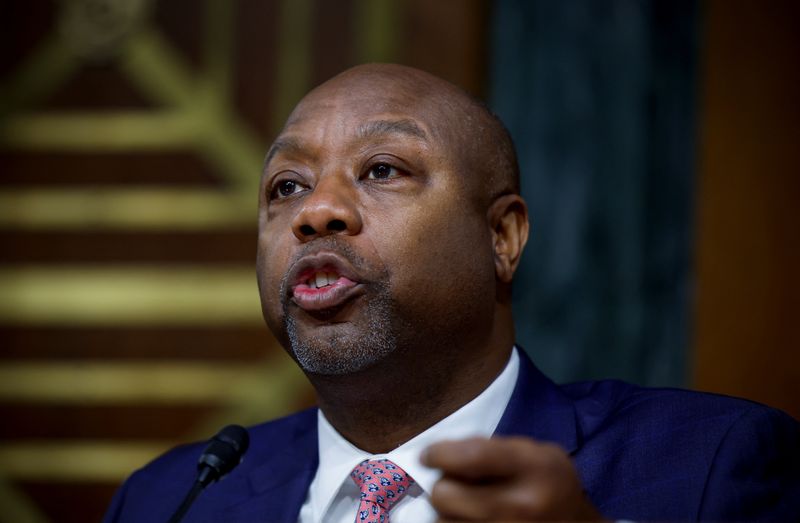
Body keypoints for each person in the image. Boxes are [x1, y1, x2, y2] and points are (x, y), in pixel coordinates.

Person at [103, 64, 799, 523]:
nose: (317, 211)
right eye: (287, 186)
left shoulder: (710, 462)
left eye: (382, 169)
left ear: (502, 237)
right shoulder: (171, 500)